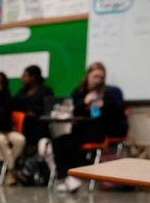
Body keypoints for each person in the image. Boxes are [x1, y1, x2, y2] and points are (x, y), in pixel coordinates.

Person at [51, 62, 127, 193]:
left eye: (101, 77)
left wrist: (104, 105)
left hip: (98, 131)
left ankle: (73, 176)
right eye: (95, 76)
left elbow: (117, 112)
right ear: (88, 76)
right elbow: (74, 112)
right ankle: (66, 177)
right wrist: (84, 102)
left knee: (70, 143)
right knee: (58, 141)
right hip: (81, 130)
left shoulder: (107, 93)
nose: (98, 80)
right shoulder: (79, 92)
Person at [12, 65, 54, 147]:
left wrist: (35, 112)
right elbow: (15, 106)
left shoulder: (45, 91)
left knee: (40, 130)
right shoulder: (22, 92)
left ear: (33, 77)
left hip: (39, 123)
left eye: (25, 76)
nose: (22, 78)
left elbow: (48, 108)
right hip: (24, 123)